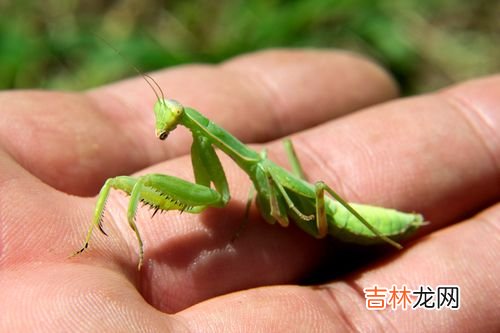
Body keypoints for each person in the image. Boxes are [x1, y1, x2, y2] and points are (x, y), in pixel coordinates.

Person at [0, 49, 498, 331]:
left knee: (320, 189)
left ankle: (389, 235)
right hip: (305, 213)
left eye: (170, 118)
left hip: (343, 218)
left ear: (187, 120)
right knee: (119, 183)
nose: (165, 125)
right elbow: (215, 194)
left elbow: (217, 194)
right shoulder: (228, 162)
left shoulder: (249, 166)